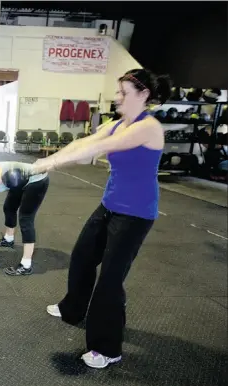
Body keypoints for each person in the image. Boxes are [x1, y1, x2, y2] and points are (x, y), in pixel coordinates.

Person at [29, 68, 171, 369]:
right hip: (109, 205)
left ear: (143, 95)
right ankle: (72, 309)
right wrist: (52, 159)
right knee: (81, 257)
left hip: (135, 214)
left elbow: (100, 147)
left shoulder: (148, 128)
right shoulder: (118, 124)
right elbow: (84, 146)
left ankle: (108, 349)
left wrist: (51, 162)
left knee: (110, 280)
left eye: (123, 92)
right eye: (118, 91)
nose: (117, 97)